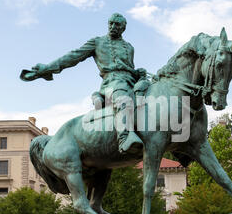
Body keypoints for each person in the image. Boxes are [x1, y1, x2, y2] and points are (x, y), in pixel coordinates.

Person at [21, 13, 147, 154]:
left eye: (116, 25)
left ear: (123, 28)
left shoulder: (129, 47)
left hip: (129, 81)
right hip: (112, 83)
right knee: (123, 99)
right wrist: (48, 68)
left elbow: (128, 68)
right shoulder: (97, 42)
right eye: (110, 23)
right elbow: (74, 56)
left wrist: (138, 73)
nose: (112, 27)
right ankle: (124, 138)